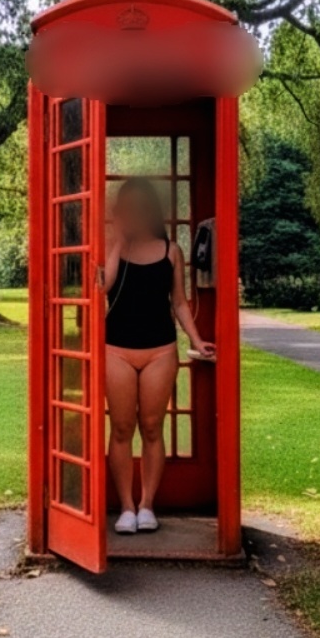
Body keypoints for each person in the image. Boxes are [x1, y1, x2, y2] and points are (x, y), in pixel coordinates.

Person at [103, 178, 214, 535]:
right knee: (121, 429)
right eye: (128, 208)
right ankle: (126, 507)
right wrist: (120, 239)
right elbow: (102, 287)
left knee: (152, 427)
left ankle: (148, 504)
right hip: (116, 348)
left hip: (159, 350)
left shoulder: (171, 251)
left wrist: (197, 339)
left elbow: (179, 302)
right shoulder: (112, 247)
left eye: (141, 207)